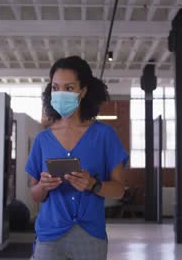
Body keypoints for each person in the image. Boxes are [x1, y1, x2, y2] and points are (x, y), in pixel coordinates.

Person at [25, 56, 129, 260]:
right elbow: (35, 194)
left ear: (83, 91)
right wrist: (44, 186)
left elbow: (119, 190)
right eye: (55, 88)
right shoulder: (42, 139)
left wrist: (93, 185)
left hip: (90, 236)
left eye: (69, 87)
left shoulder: (104, 135)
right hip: (49, 236)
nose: (60, 93)